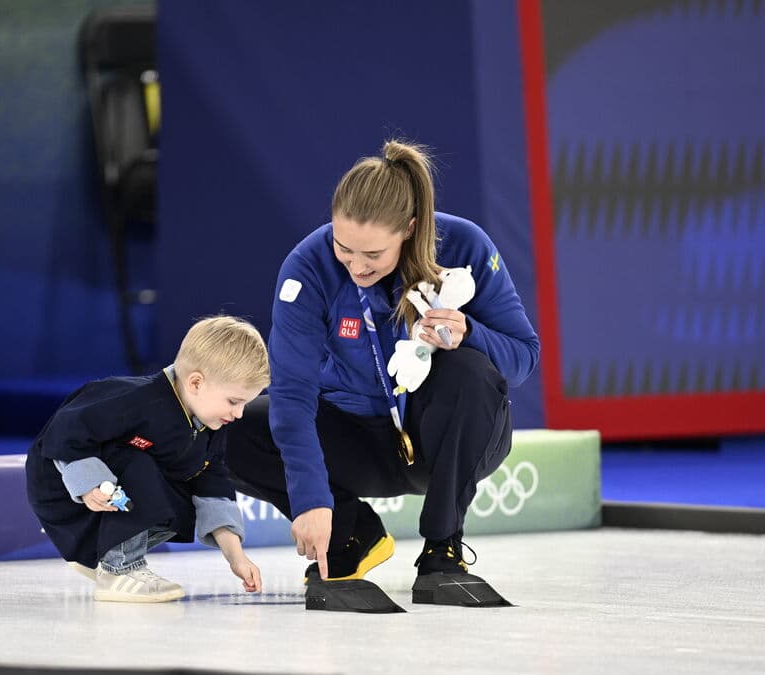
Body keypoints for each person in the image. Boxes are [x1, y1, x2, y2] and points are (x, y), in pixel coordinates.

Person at [225, 139, 540, 606]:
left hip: (438, 438)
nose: (355, 265)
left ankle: (442, 550)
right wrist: (311, 499)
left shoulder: (466, 246)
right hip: (352, 437)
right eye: (343, 247)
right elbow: (292, 393)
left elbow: (523, 359)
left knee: (470, 373)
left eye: (373, 256)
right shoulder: (308, 267)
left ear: (410, 231)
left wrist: (470, 330)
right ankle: (353, 535)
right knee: (226, 431)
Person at [25, 316, 269, 602]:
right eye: (233, 402)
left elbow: (212, 485)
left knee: (186, 490)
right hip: (61, 484)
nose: (239, 414)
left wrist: (235, 556)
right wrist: (86, 482)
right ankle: (119, 568)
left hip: (108, 498)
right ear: (196, 383)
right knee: (140, 461)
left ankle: (102, 556)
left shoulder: (209, 427)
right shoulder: (135, 399)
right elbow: (65, 431)